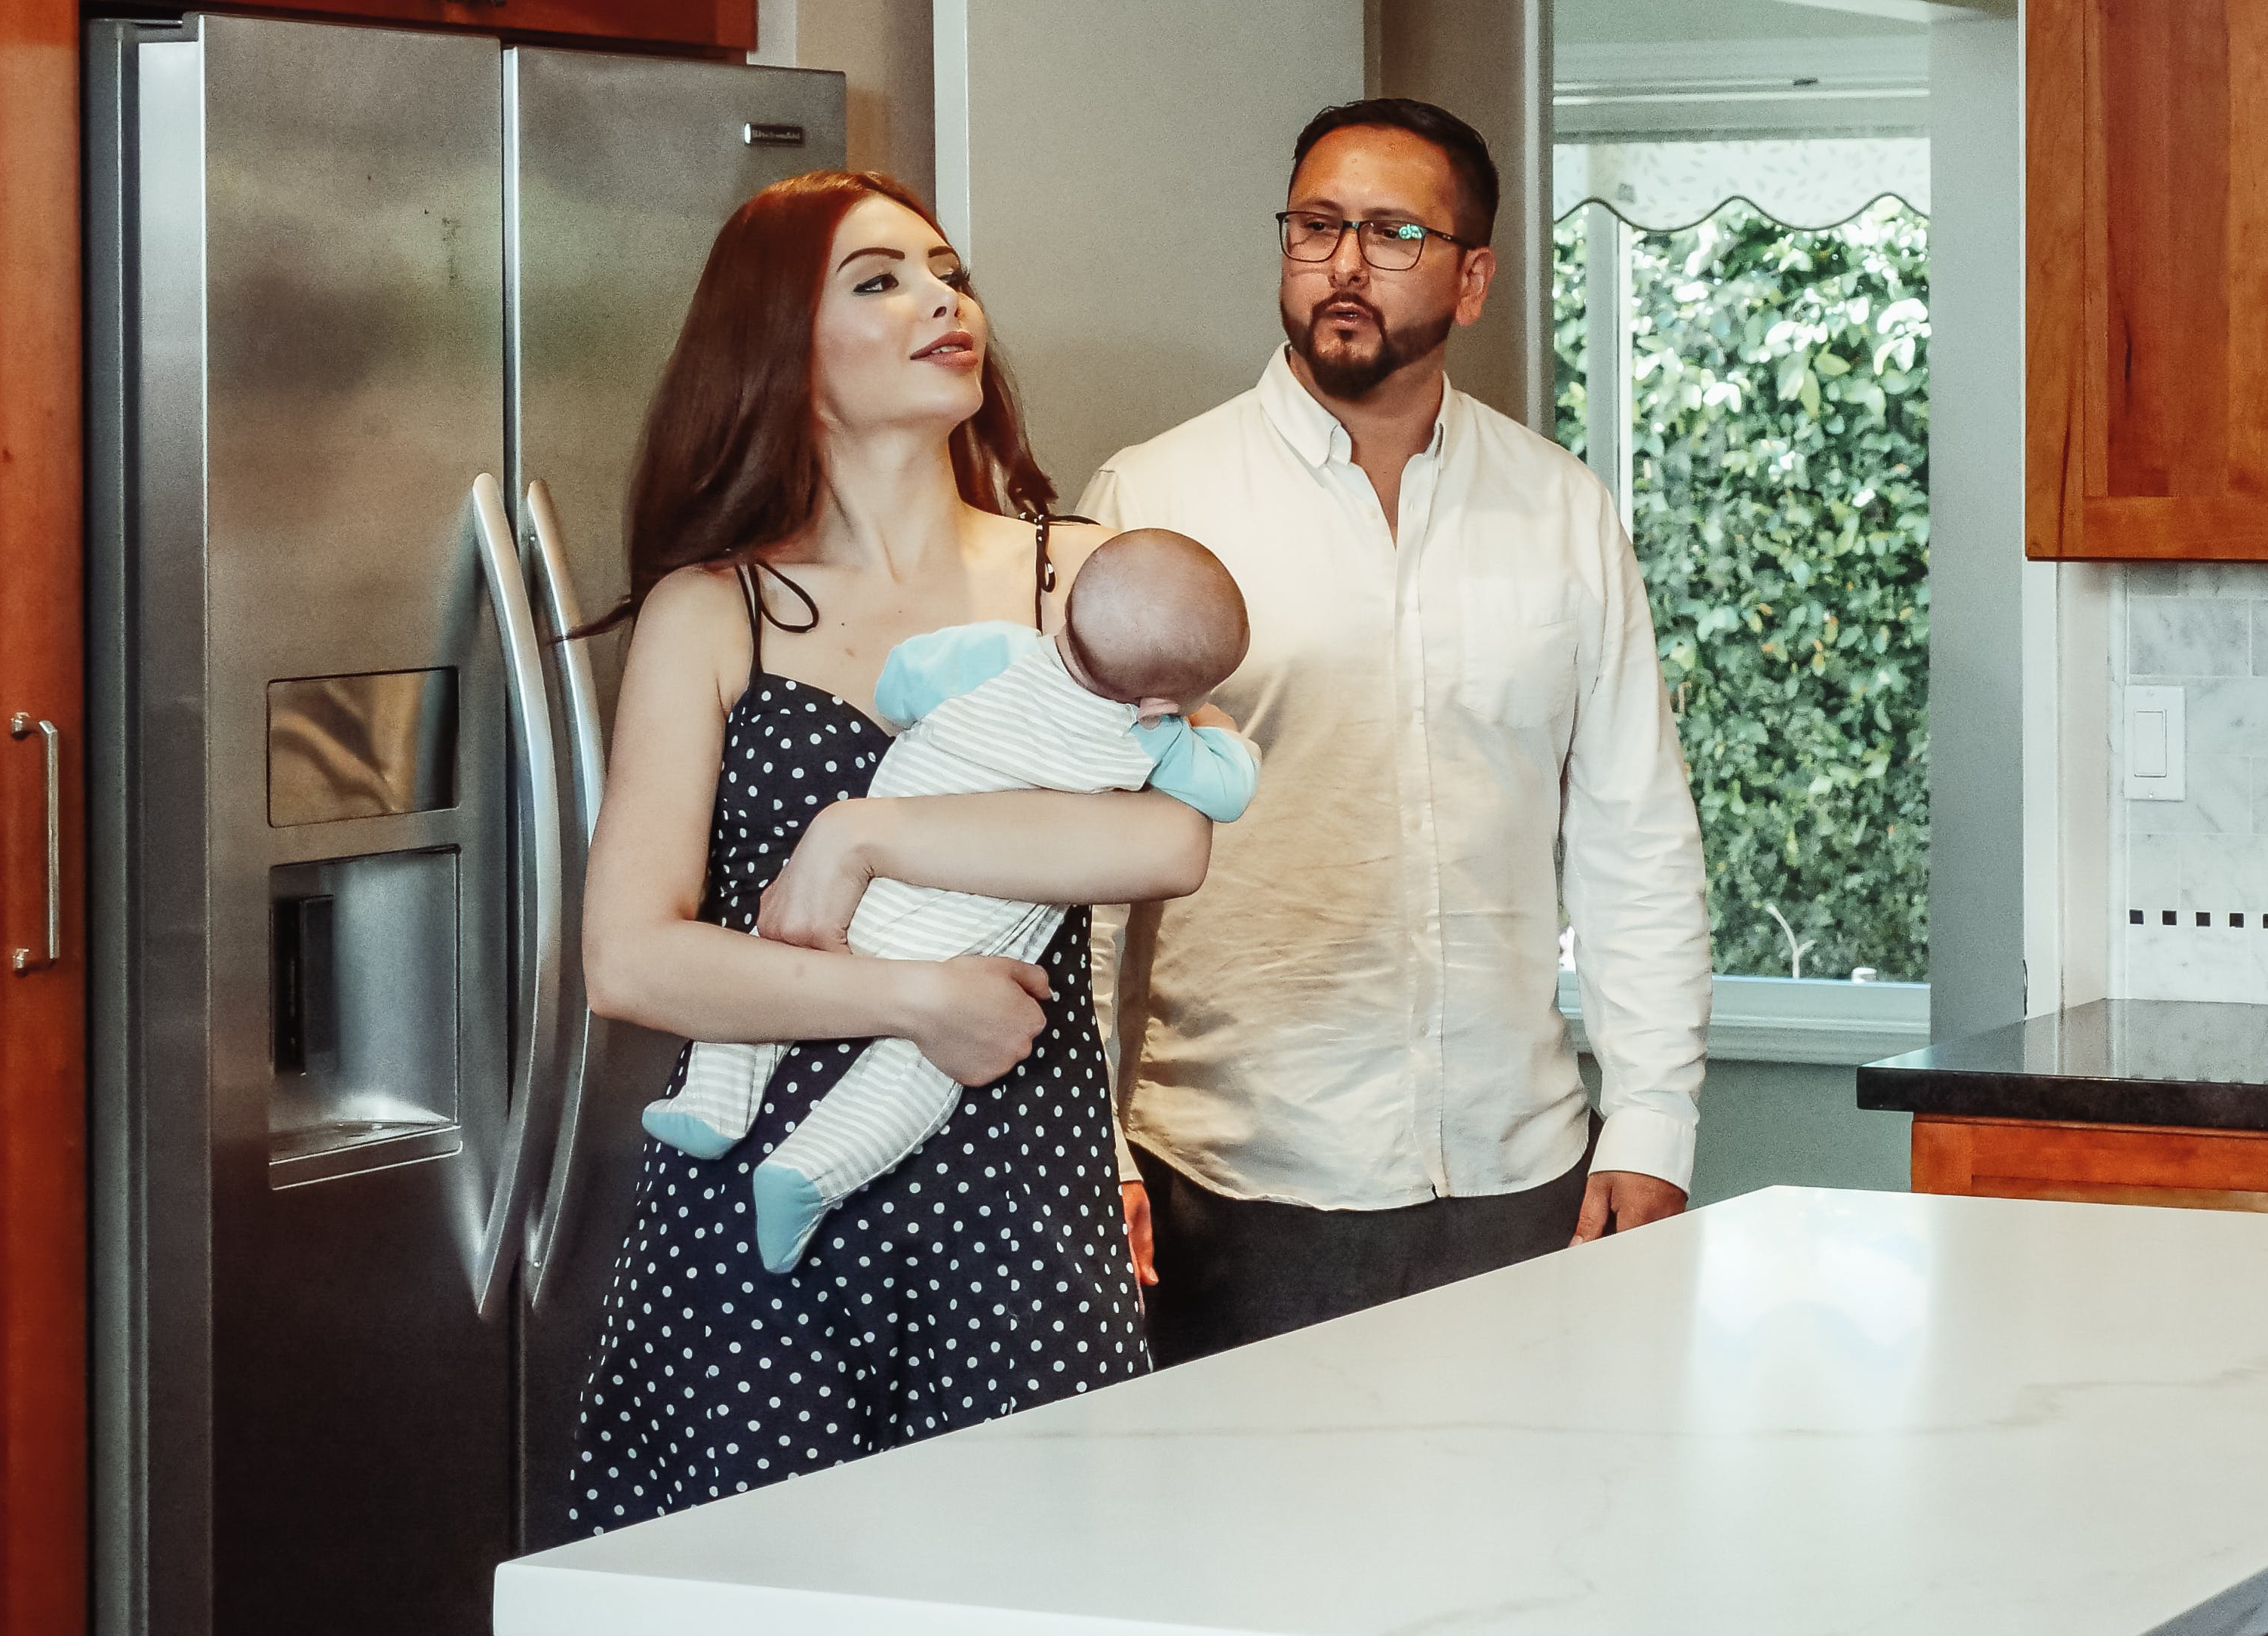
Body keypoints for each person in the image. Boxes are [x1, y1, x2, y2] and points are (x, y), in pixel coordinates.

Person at [564, 170, 1215, 1534]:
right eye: (879, 282)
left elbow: (1165, 837)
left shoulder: (1079, 576)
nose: (941, 300)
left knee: (1030, 1588)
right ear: (781, 355)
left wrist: (868, 831)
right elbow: (629, 957)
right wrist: (913, 996)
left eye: (947, 273)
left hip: (1019, 1203)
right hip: (752, 1211)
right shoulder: (714, 609)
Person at [1080, 96, 1714, 1364]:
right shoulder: (1152, 501)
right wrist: (1087, 1141)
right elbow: (1080, 865)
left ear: (1472, 278)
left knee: (1525, 1547)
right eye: (1315, 227)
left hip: (1515, 1174)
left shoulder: (1561, 512)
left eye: (1391, 234)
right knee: (1240, 1560)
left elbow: (1634, 838)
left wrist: (1651, 1124)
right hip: (1225, 1179)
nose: (1344, 267)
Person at [641, 529, 1264, 1272]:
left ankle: (713, 1100)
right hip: (969, 942)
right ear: (1162, 697)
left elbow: (899, 688)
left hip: (859, 897)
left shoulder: (996, 654)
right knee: (910, 1076)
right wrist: (1213, 728)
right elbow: (1227, 792)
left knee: (769, 963)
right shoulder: (1150, 739)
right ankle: (806, 1174)